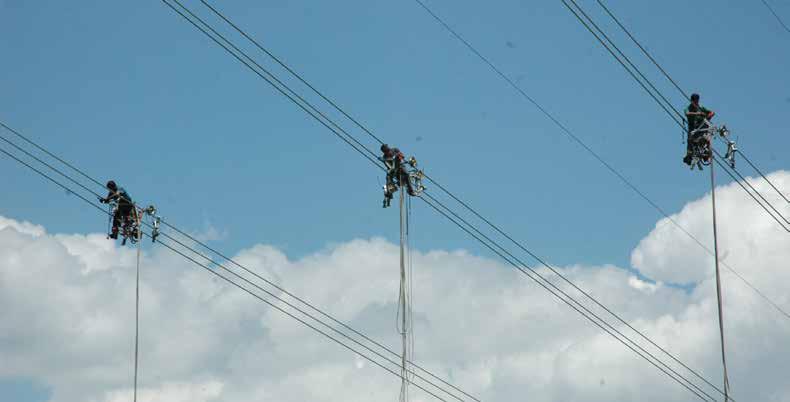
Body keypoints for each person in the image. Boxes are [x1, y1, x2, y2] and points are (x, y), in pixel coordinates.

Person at [683, 93, 715, 165]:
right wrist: (697, 113)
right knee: (690, 141)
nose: (696, 103)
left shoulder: (701, 107)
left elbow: (712, 112)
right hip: (693, 129)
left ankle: (706, 154)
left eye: (697, 101)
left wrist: (708, 117)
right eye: (695, 101)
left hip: (701, 128)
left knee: (705, 140)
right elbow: (687, 113)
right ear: (692, 101)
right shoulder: (688, 108)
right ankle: (689, 157)